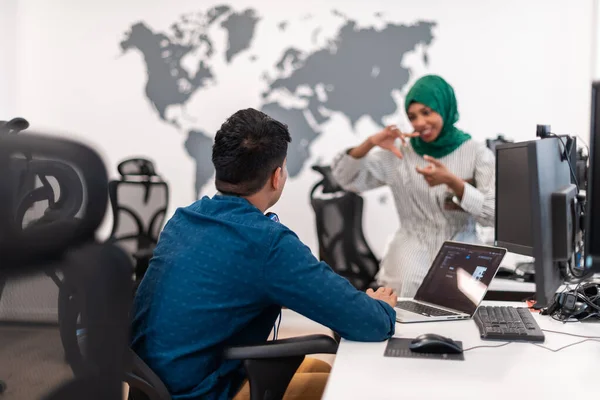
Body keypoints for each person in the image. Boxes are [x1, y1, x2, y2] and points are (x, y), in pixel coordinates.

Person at [130, 108, 398, 400]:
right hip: (202, 391)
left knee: (320, 369)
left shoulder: (184, 220)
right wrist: (381, 307)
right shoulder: (266, 242)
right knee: (346, 387)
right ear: (277, 176)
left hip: (155, 386)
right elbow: (371, 324)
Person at [331, 74, 495, 298]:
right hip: (410, 248)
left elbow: (493, 216)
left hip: (463, 249)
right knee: (403, 314)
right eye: (412, 116)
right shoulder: (401, 152)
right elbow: (345, 179)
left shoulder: (477, 154)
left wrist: (454, 183)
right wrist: (369, 144)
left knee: (457, 317)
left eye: (426, 113)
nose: (418, 123)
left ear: (445, 108)